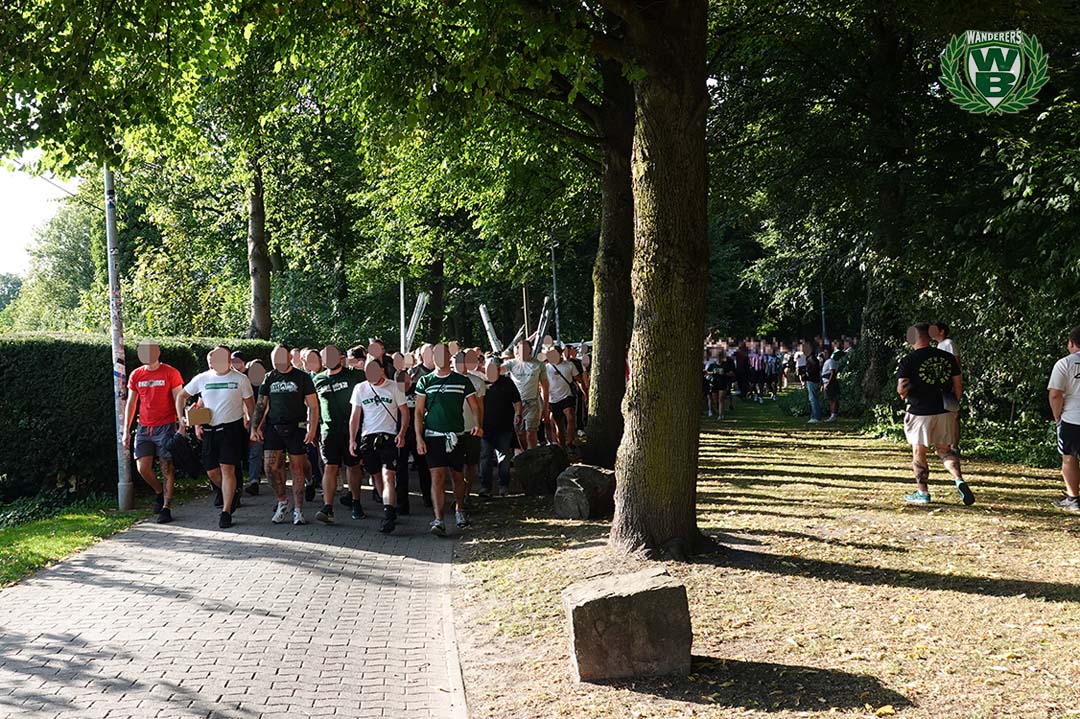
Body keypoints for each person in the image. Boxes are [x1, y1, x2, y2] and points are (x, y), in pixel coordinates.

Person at [176, 346, 255, 529]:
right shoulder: (203, 378)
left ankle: (226, 512)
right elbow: (181, 396)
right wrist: (181, 417)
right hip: (210, 430)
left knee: (227, 469)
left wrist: (252, 425)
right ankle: (231, 492)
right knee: (212, 471)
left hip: (231, 430)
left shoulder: (240, 379)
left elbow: (251, 405)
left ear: (229, 360)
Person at [897, 323, 975, 506]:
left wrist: (903, 394)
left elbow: (902, 387)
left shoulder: (909, 360)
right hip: (945, 409)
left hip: (920, 411)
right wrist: (954, 404)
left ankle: (923, 492)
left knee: (919, 450)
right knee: (945, 450)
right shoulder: (947, 357)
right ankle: (958, 480)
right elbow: (958, 385)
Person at [414, 343, 482, 536]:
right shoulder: (425, 381)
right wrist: (419, 438)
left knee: (457, 476)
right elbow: (419, 412)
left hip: (456, 435)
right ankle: (439, 519)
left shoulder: (461, 381)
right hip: (433, 436)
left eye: (443, 354)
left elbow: (474, 405)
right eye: (435, 354)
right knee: (437, 477)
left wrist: (477, 423)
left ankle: (460, 509)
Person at [251, 345, 319, 526]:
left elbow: (313, 405)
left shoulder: (302, 377)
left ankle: (298, 510)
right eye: (274, 359)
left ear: (290, 357)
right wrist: (254, 427)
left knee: (297, 468)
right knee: (271, 467)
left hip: (296, 427)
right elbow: (261, 404)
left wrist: (312, 429)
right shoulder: (269, 377)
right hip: (274, 427)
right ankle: (282, 502)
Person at [123, 342, 184, 523]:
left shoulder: (170, 373)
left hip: (166, 427)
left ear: (158, 352)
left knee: (167, 467)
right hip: (144, 428)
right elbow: (131, 403)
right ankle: (159, 491)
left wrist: (182, 423)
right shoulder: (137, 374)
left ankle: (166, 507)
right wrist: (126, 430)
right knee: (143, 468)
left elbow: (178, 398)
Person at [349, 358, 410, 533]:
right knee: (376, 475)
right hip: (368, 437)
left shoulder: (394, 387)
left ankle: (389, 514)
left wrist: (402, 433)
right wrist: (352, 440)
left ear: (382, 370)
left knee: (388, 475)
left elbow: (404, 412)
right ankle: (387, 506)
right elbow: (355, 417)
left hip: (389, 437)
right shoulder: (360, 388)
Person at [312, 345, 366, 524]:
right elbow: (312, 406)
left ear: (341, 357)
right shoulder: (317, 379)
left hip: (351, 430)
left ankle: (356, 501)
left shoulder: (354, 375)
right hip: (328, 431)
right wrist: (312, 429)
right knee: (330, 466)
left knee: (353, 466)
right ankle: (328, 507)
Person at [1046, 326, 1080, 512]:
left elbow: (1055, 395)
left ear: (1072, 343)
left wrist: (1057, 416)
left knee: (1069, 458)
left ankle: (1073, 498)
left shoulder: (1064, 363)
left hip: (1072, 418)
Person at [479, 357, 521, 497]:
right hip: (485, 428)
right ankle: (485, 487)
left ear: (499, 370)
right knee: (485, 458)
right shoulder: (481, 383)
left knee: (503, 458)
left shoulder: (507, 382)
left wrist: (518, 414)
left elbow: (517, 400)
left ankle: (503, 486)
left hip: (504, 427)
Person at [503, 340, 549, 450]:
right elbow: (496, 371)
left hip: (532, 402)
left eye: (525, 349)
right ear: (517, 351)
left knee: (531, 432)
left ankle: (532, 454)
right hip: (516, 404)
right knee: (520, 433)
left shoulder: (539, 365)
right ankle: (525, 454)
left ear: (530, 350)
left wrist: (546, 406)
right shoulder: (511, 363)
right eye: (520, 349)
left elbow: (545, 387)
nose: (523, 352)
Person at [453, 350, 486, 499]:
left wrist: (479, 425)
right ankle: (458, 496)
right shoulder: (447, 381)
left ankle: (466, 494)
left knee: (471, 464)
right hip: (453, 429)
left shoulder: (477, 382)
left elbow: (480, 407)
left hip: (472, 428)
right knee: (455, 465)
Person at [546, 346, 586, 451]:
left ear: (560, 354)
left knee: (570, 416)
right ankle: (562, 448)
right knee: (559, 426)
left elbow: (579, 380)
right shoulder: (546, 368)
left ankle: (570, 442)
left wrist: (585, 393)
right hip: (553, 399)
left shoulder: (569, 365)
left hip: (567, 396)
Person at [931, 322, 961, 451]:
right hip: (941, 385)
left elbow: (956, 363)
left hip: (949, 385)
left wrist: (955, 384)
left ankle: (954, 446)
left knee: (953, 414)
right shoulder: (939, 345)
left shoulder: (948, 344)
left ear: (942, 331)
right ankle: (945, 444)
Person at [243, 359, 266, 495]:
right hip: (250, 421)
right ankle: (253, 480)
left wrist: (258, 424)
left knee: (257, 451)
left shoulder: (266, 383)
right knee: (253, 451)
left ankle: (254, 480)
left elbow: (266, 405)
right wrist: (247, 418)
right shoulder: (246, 383)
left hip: (265, 422)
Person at [803, 344, 823, 423]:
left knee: (813, 399)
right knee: (814, 398)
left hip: (812, 380)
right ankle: (814, 416)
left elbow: (812, 370)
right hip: (814, 380)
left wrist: (807, 374)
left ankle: (816, 417)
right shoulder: (813, 359)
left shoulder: (811, 359)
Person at [821, 347, 839, 422]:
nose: (824, 354)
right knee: (829, 399)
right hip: (825, 381)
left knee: (833, 399)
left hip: (830, 382)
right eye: (824, 353)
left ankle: (833, 415)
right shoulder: (826, 361)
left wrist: (829, 383)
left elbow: (832, 372)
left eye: (826, 353)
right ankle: (832, 414)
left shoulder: (831, 361)